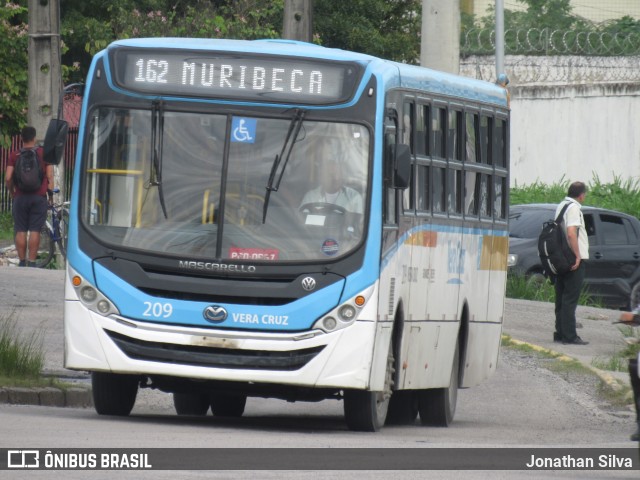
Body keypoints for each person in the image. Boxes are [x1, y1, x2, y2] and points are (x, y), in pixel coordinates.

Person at [4, 126, 54, 267]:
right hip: (39, 197)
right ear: (34, 137)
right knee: (35, 230)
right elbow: (50, 176)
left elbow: (8, 177)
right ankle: (31, 263)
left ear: (21, 138)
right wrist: (50, 195)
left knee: (20, 229)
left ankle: (21, 261)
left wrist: (12, 192)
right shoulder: (44, 154)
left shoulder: (15, 155)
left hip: (20, 197)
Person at [553, 181, 589, 345]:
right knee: (570, 298)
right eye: (585, 194)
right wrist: (577, 255)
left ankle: (560, 332)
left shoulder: (562, 205)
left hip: (560, 257)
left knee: (561, 296)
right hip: (571, 258)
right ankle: (570, 335)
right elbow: (571, 233)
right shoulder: (574, 208)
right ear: (581, 195)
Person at [299, 142, 363, 215]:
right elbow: (301, 221)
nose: (335, 178)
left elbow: (358, 223)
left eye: (337, 174)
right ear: (322, 177)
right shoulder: (310, 197)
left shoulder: (354, 197)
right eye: (331, 175)